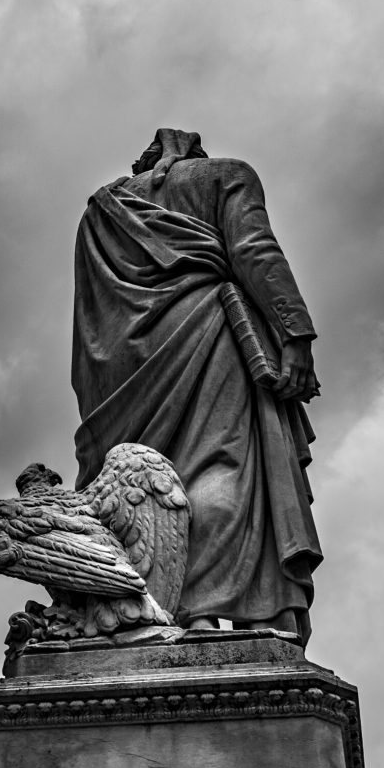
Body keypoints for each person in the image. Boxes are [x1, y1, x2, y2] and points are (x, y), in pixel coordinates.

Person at [71, 128, 321, 643]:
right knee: (220, 466)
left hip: (126, 372)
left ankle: (153, 607)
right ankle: (207, 611)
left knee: (148, 486)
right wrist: (294, 333)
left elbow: (90, 324)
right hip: (210, 331)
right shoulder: (227, 175)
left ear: (145, 164)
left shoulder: (100, 212)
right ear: (193, 156)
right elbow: (253, 250)